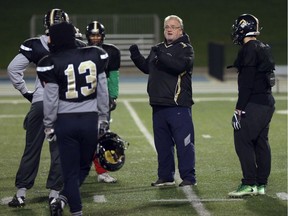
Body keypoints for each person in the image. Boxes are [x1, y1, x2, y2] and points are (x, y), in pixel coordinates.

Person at [37, 22, 109, 216]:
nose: (49, 40)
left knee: (70, 172)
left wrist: (48, 126)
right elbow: (103, 90)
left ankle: (72, 208)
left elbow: (50, 99)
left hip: (65, 121)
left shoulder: (50, 62)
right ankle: (62, 200)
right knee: (83, 167)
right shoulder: (94, 54)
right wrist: (103, 117)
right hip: (89, 120)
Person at [6, 8, 70, 208]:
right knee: (58, 150)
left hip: (40, 102)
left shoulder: (34, 44)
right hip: (62, 105)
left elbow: (12, 69)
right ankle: (54, 193)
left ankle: (21, 193)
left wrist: (26, 92)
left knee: (31, 148)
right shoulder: (74, 45)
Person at [129, 15, 196, 187]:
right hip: (158, 104)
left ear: (180, 30)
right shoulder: (158, 48)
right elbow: (147, 68)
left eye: (173, 26)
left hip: (177, 105)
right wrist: (136, 56)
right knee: (163, 145)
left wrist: (161, 54)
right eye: (167, 26)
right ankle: (166, 176)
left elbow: (178, 66)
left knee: (184, 143)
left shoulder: (185, 48)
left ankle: (189, 177)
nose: (169, 29)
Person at [228, 14, 275, 198]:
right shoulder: (264, 46)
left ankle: (249, 183)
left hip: (254, 102)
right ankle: (261, 183)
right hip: (267, 102)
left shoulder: (249, 49)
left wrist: (239, 108)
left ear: (243, 28)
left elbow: (246, 82)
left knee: (243, 140)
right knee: (261, 142)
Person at [85, 21, 120, 183]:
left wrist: (112, 96)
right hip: (83, 98)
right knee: (83, 134)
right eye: (93, 35)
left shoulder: (111, 51)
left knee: (101, 134)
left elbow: (113, 76)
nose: (95, 38)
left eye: (98, 35)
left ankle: (101, 171)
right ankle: (81, 168)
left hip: (101, 97)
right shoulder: (80, 50)